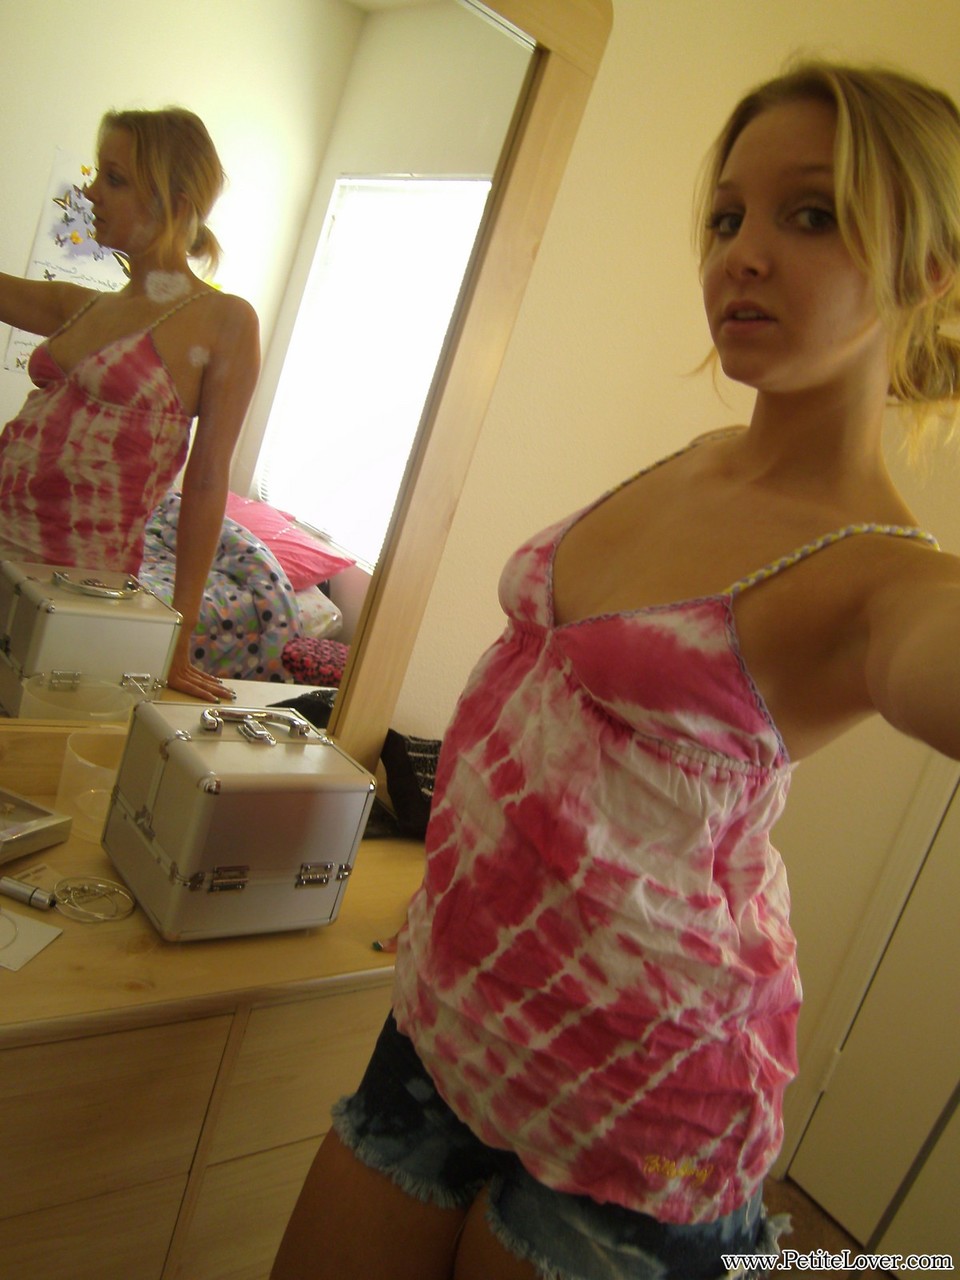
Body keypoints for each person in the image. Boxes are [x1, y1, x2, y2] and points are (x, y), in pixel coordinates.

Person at [271, 59, 960, 1280]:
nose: (743, 255)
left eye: (811, 214)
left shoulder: (888, 580)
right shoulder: (696, 456)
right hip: (450, 1019)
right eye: (727, 217)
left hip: (644, 1109)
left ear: (932, 270)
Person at [0, 107, 260, 699]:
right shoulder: (83, 307)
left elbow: (206, 481)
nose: (91, 192)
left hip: (73, 592)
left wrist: (178, 632)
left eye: (114, 179)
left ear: (176, 201)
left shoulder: (224, 321)